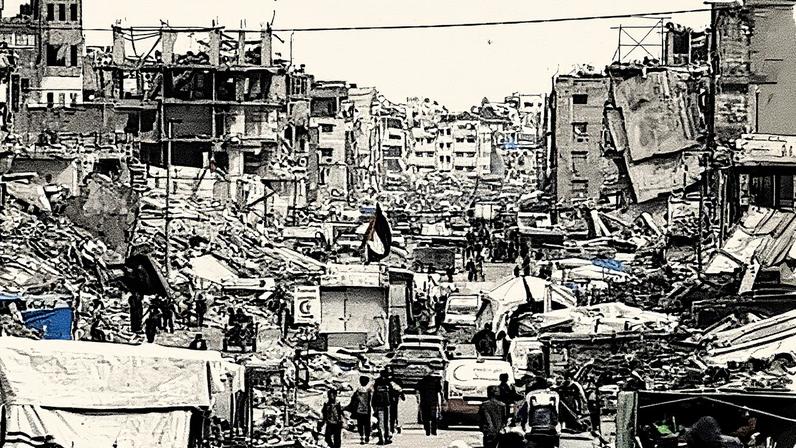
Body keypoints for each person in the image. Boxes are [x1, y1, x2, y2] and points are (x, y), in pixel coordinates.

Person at [417, 371, 444, 437]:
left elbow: (417, 391)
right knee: (433, 416)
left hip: (424, 401)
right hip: (433, 401)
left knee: (425, 417)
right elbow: (440, 391)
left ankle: (427, 431)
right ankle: (434, 431)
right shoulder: (436, 382)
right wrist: (442, 399)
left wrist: (418, 400)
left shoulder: (421, 381)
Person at [347, 376, 372, 444]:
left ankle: (362, 437)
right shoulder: (369, 390)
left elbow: (353, 400)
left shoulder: (357, 390)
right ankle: (367, 436)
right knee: (367, 424)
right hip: (367, 409)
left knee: (360, 424)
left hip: (359, 410)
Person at [371, 369, 393, 444]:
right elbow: (392, 394)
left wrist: (373, 405)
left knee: (380, 423)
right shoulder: (388, 383)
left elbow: (374, 395)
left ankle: (381, 438)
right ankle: (387, 437)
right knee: (387, 422)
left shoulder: (377, 383)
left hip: (379, 405)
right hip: (387, 404)